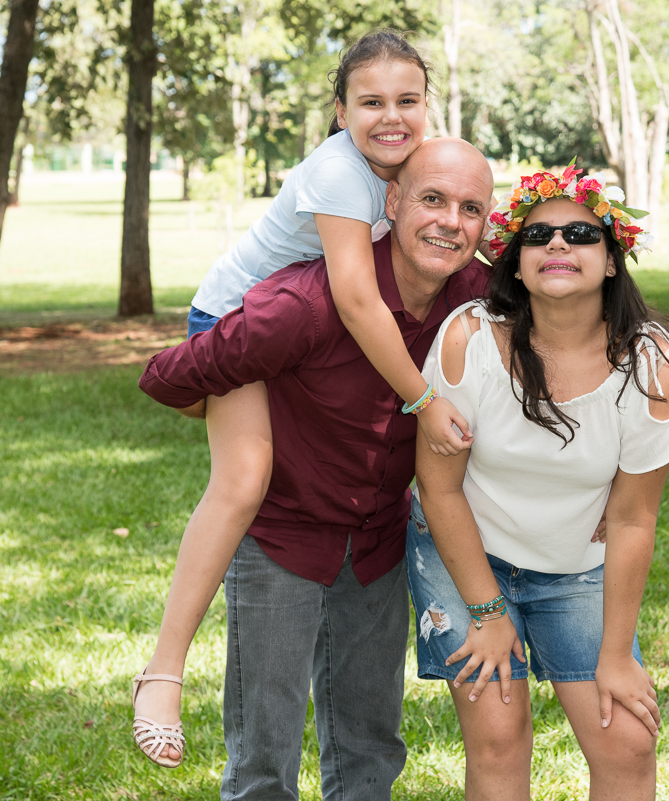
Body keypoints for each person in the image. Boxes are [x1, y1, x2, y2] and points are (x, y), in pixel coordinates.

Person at [129, 31, 474, 769]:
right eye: (371, 102)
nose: (392, 116)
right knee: (244, 479)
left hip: (286, 332)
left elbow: (455, 222)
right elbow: (356, 300)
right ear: (340, 111)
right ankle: (162, 672)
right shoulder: (341, 173)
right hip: (233, 317)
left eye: (408, 100)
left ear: (427, 105)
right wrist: (421, 399)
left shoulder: (409, 166)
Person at [407, 163, 669, 801]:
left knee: (627, 741)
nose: (558, 244)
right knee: (497, 734)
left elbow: (632, 518)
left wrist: (616, 656)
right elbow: (439, 489)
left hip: (576, 566)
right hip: (466, 555)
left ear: (612, 260)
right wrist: (487, 612)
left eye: (581, 233)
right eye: (538, 236)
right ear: (517, 265)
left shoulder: (651, 365)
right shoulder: (470, 338)